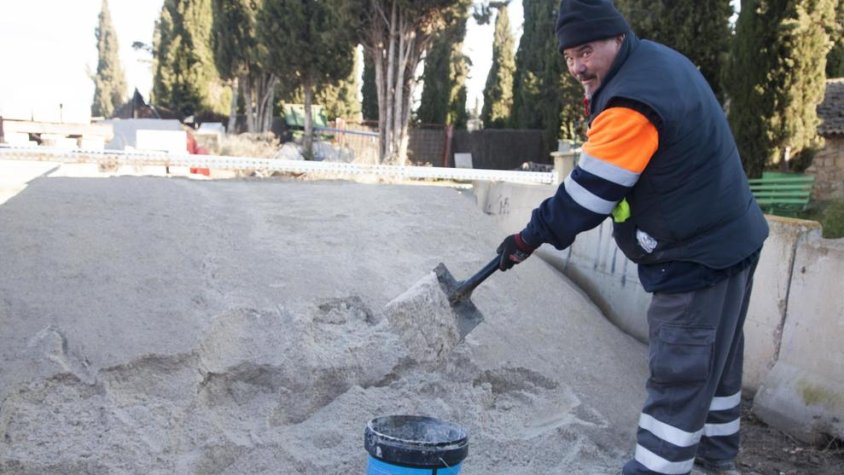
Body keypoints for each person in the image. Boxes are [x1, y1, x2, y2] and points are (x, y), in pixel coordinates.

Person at [495, 1, 769, 474]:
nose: (577, 66)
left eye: (586, 51)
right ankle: (714, 462)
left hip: (696, 257)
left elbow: (588, 196)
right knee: (717, 366)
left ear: (617, 38)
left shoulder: (631, 102)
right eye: (569, 57)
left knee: (680, 374)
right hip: (732, 239)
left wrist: (527, 237)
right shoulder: (655, 63)